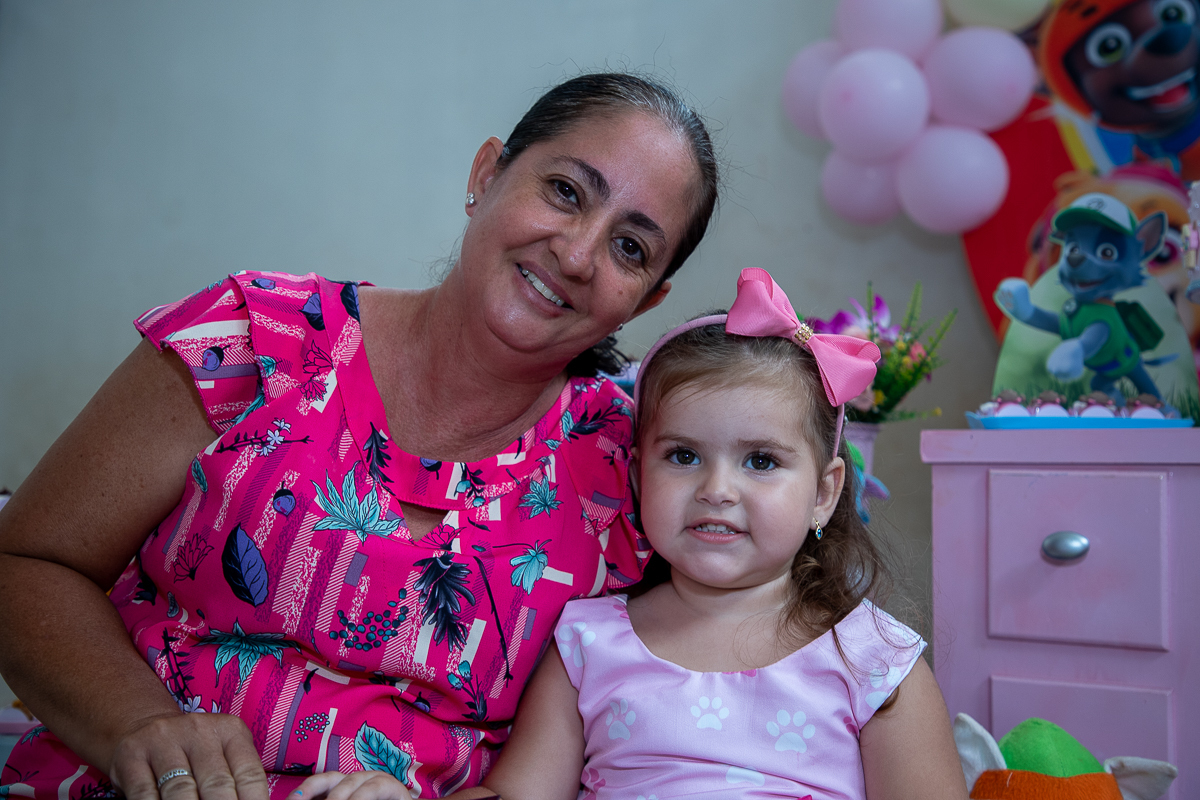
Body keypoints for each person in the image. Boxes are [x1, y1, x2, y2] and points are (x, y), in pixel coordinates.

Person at [0, 73, 719, 800]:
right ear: (487, 174)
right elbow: (23, 564)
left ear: (648, 300)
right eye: (565, 191)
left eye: (630, 247)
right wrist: (142, 725)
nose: (578, 254)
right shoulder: (250, 339)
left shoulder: (634, 470)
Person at [293, 268, 967, 800]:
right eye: (683, 455)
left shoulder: (873, 660)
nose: (717, 489)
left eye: (761, 461)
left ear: (823, 491)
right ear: (639, 477)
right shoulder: (589, 642)